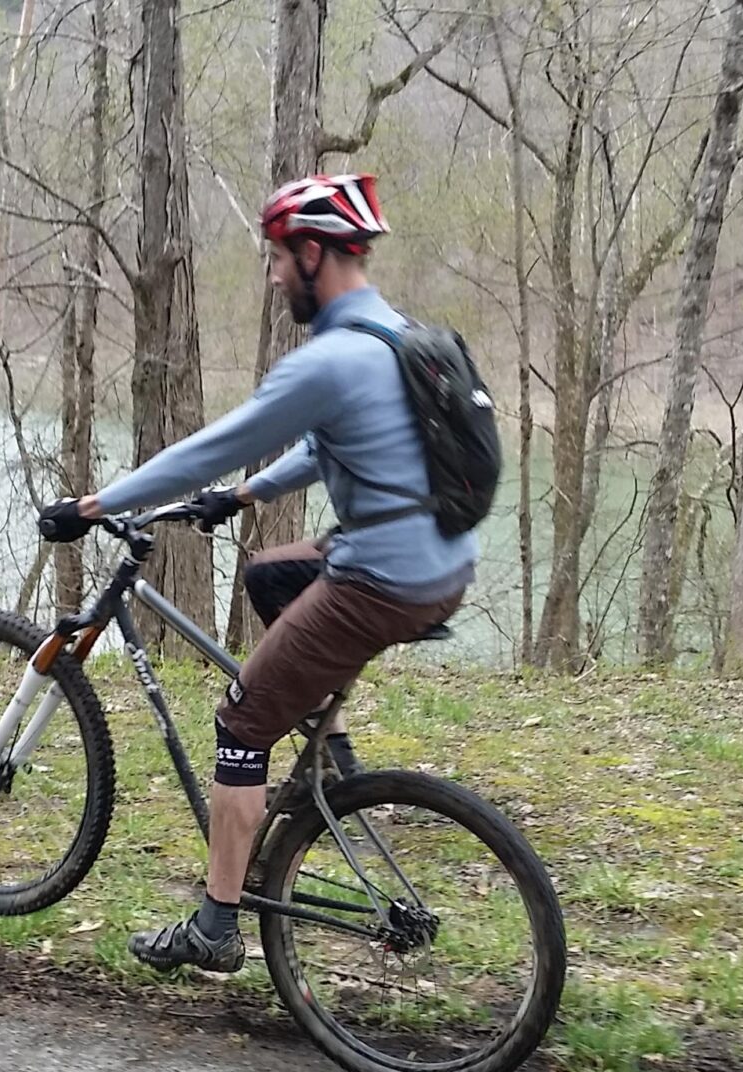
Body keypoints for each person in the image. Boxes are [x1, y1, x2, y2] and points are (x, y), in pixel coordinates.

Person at [36, 173, 475, 975]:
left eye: (277, 259)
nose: (274, 276)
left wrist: (96, 506)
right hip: (439, 565)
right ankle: (328, 769)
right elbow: (327, 446)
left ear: (313, 253)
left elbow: (210, 445)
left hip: (380, 580)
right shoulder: (392, 335)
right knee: (270, 578)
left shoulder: (330, 359)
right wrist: (244, 496)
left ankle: (215, 925)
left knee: (240, 724)